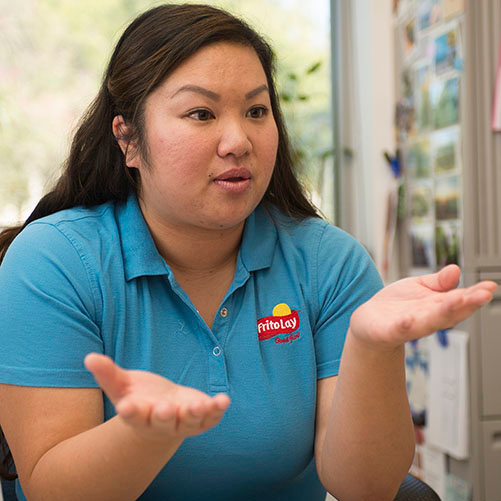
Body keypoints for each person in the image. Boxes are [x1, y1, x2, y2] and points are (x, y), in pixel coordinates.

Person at [0, 4, 496, 501]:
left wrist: (371, 348)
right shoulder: (54, 262)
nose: (238, 141)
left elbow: (364, 488)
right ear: (128, 139)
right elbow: (51, 490)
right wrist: (146, 433)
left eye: (257, 111)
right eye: (202, 113)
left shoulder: (329, 263)